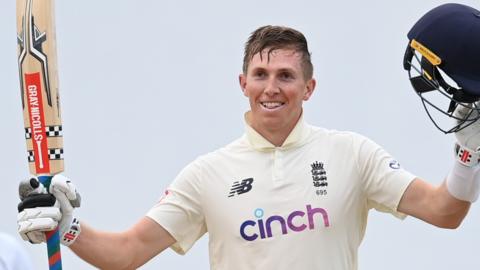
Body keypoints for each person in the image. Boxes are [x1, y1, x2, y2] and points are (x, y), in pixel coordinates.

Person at [16, 4, 480, 270]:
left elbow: (445, 212)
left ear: (309, 87)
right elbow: (126, 253)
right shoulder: (207, 175)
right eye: (260, 74)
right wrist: (66, 226)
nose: (271, 88)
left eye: (285, 75)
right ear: (243, 84)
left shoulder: (351, 154)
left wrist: (468, 151)